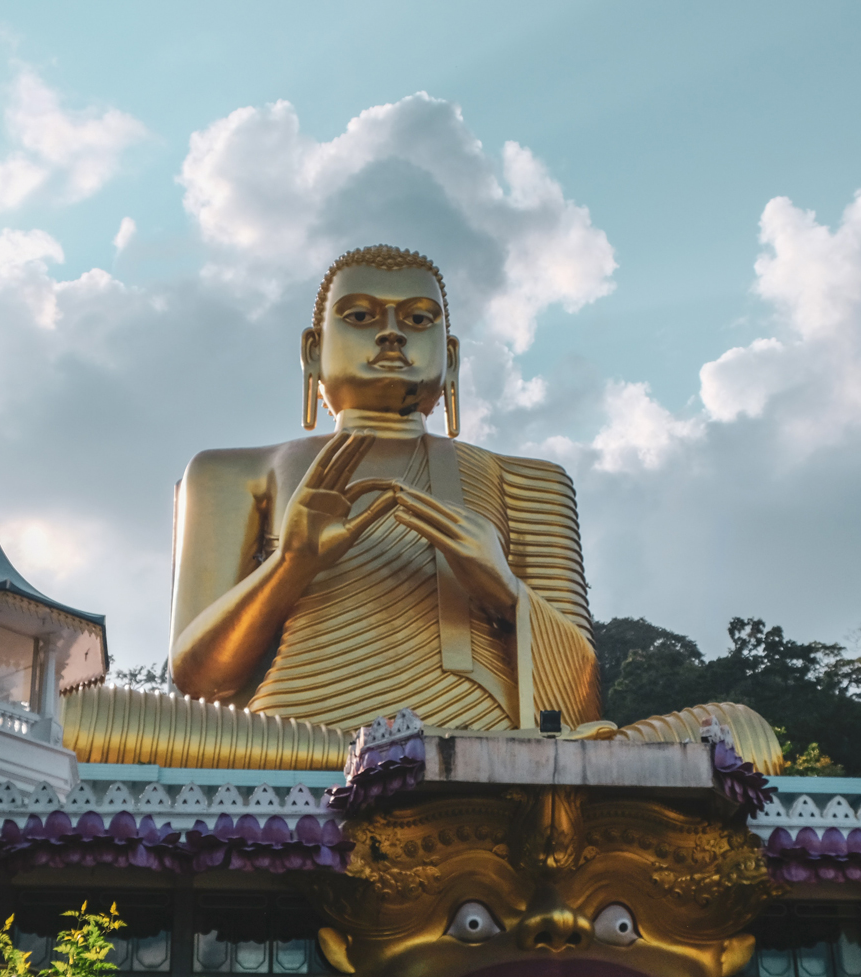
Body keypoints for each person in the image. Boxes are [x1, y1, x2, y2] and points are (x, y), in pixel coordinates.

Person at [168, 245, 600, 732]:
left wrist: (504, 590)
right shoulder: (231, 472)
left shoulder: (528, 481)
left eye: (418, 319)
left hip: (476, 740)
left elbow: (581, 703)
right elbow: (198, 684)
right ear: (313, 350)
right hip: (292, 740)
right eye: (359, 315)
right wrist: (291, 564)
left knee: (680, 726)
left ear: (450, 357)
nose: (392, 333)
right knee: (98, 718)